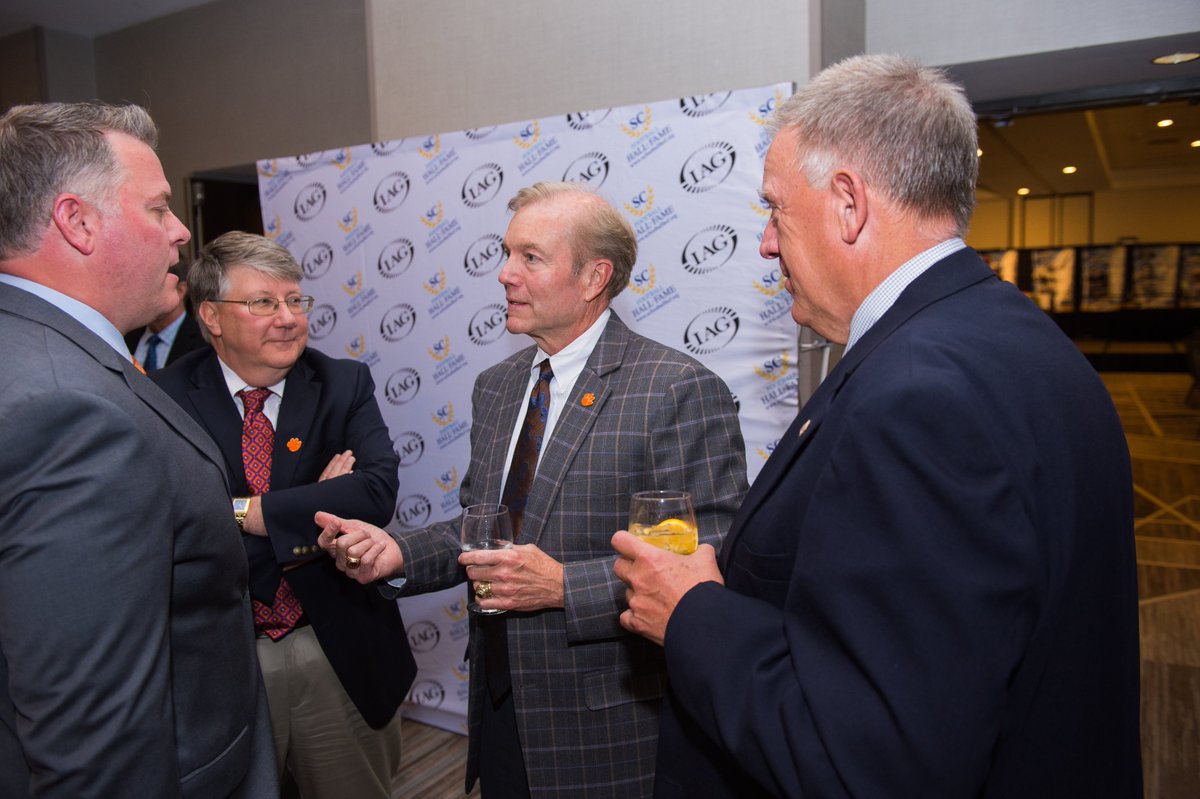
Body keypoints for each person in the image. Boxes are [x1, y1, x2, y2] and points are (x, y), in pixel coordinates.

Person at [613, 54, 1142, 798]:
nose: (766, 244)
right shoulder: (1017, 337)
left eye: (775, 209)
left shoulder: (922, 397)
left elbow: (868, 761)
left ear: (849, 203)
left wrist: (693, 614)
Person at [318, 181, 748, 797]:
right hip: (499, 707)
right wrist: (397, 554)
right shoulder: (497, 386)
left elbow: (711, 548)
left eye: (530, 257)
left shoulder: (675, 388)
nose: (504, 274)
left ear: (594, 276)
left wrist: (565, 587)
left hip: (607, 724)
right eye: (506, 252)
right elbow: (482, 524)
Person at [0, 102, 276, 798]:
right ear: (78, 221)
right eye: (158, 208)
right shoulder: (68, 410)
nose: (182, 231)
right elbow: (97, 741)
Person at [152, 231, 415, 798]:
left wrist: (240, 511)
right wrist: (312, 514)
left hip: (336, 649)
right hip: (226, 656)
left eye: (295, 300)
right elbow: (167, 529)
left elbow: (374, 495)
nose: (288, 318)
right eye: (264, 303)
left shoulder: (342, 383)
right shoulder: (161, 397)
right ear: (212, 317)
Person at [125, 261, 208, 369]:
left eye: (149, 284)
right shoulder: (126, 335)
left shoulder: (204, 342)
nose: (138, 293)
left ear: (180, 290)